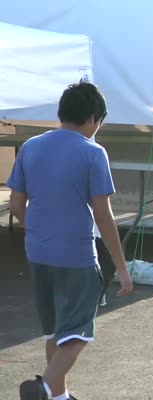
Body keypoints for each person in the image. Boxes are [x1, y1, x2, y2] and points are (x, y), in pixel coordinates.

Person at [7, 82, 134, 400]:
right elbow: (103, 216)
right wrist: (122, 267)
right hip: (77, 255)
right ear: (94, 119)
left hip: (38, 252)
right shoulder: (93, 152)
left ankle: (58, 394)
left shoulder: (32, 146)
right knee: (78, 331)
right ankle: (44, 386)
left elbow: (16, 203)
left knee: (55, 330)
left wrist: (36, 228)